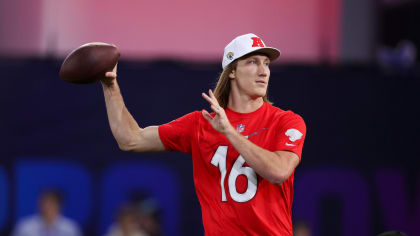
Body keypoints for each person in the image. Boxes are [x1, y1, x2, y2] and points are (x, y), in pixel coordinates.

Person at [101, 33, 306, 235]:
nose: (264, 71)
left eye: (266, 63)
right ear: (232, 71)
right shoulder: (201, 124)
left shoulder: (286, 121)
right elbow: (130, 139)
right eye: (253, 62)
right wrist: (110, 86)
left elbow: (279, 172)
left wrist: (229, 132)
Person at [12, 189, 82, 236]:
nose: (47, 207)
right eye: (44, 202)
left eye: (52, 203)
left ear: (60, 205)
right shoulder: (25, 227)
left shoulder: (71, 229)